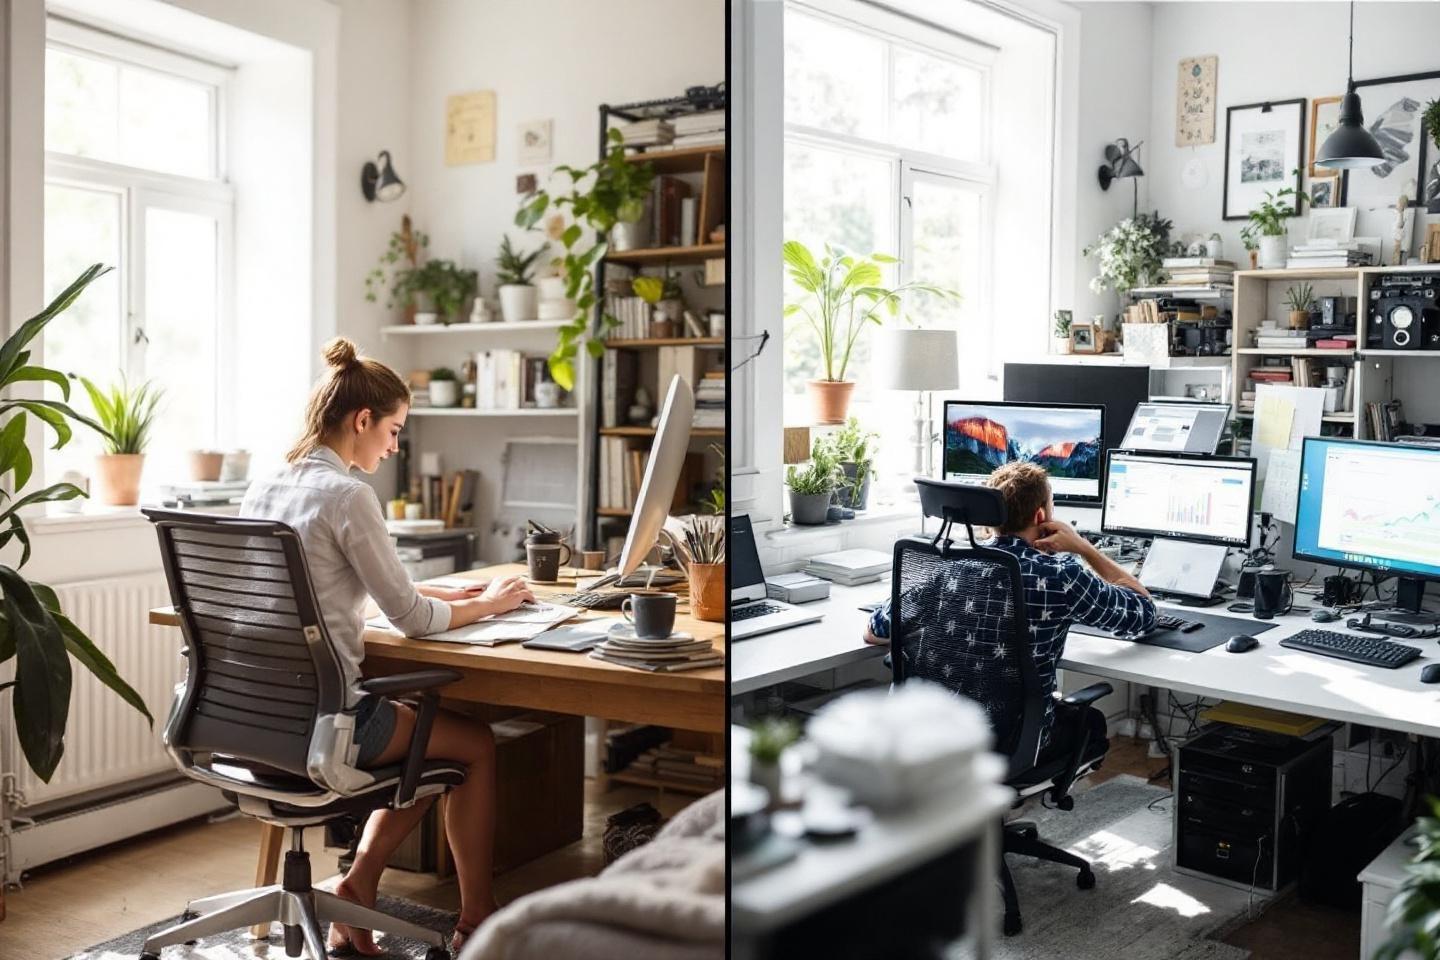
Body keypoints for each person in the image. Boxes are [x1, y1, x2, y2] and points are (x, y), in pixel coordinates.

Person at [241, 337, 533, 955]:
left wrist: (443, 597)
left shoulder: (266, 483)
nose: (395, 446)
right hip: (323, 726)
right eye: (394, 430)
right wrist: (492, 604)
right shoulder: (349, 495)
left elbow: (324, 591)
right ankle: (476, 915)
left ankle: (359, 886)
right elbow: (414, 622)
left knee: (429, 743)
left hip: (246, 718)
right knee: (474, 744)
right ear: (362, 420)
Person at [864, 462, 1155, 751]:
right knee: (1090, 722)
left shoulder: (945, 564)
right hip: (1010, 743)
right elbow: (1143, 614)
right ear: (1041, 515)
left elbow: (874, 632)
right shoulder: (1061, 575)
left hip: (931, 736)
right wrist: (1083, 547)